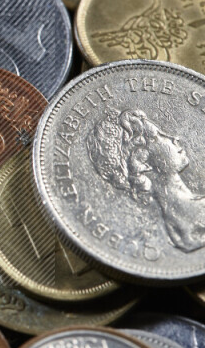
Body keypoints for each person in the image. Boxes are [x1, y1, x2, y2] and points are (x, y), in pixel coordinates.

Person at [88, 108, 205, 253]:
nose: (175, 138)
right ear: (142, 161)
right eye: (159, 135)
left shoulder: (174, 232)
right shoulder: (180, 230)